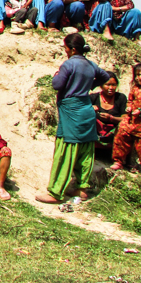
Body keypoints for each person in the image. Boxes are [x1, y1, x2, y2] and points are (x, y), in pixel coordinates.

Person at [35, 33, 110, 204]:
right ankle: (82, 189)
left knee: (65, 151)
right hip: (86, 110)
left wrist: (56, 75)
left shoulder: (69, 64)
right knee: (85, 151)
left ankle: (55, 192)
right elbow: (105, 77)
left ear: (73, 49)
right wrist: (90, 85)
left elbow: (57, 85)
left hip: (72, 111)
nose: (66, 51)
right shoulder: (90, 65)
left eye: (66, 48)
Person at [90, 71, 127, 150]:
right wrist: (90, 109)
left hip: (113, 134)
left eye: (113, 85)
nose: (111, 88)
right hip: (96, 133)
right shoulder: (93, 97)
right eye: (107, 85)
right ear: (101, 85)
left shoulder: (121, 98)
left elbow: (125, 118)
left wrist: (111, 118)